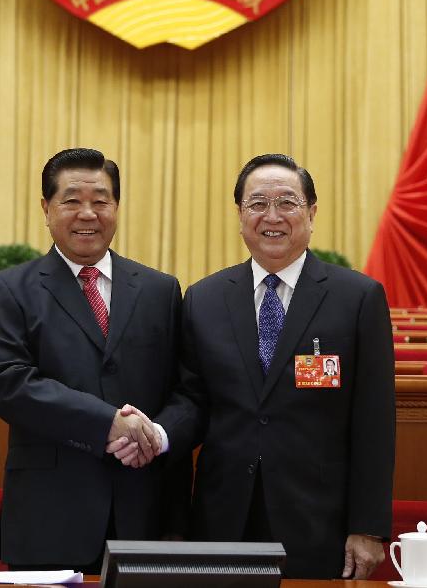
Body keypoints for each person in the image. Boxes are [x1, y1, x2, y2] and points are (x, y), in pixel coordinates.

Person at [116, 152, 396, 579]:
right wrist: (158, 433)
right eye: (258, 203)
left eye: (287, 202)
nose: (273, 215)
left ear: (312, 212)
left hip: (319, 521)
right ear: (240, 214)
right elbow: (193, 400)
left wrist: (368, 528)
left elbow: (374, 422)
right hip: (223, 517)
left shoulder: (357, 298)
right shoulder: (205, 298)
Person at [0, 147, 189, 572]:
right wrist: (108, 422)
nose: (87, 213)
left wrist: (158, 436)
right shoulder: (9, 290)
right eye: (72, 200)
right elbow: (9, 384)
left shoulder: (160, 290)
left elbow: (187, 390)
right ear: (46, 207)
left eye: (101, 200)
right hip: (50, 517)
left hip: (144, 514)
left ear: (116, 207)